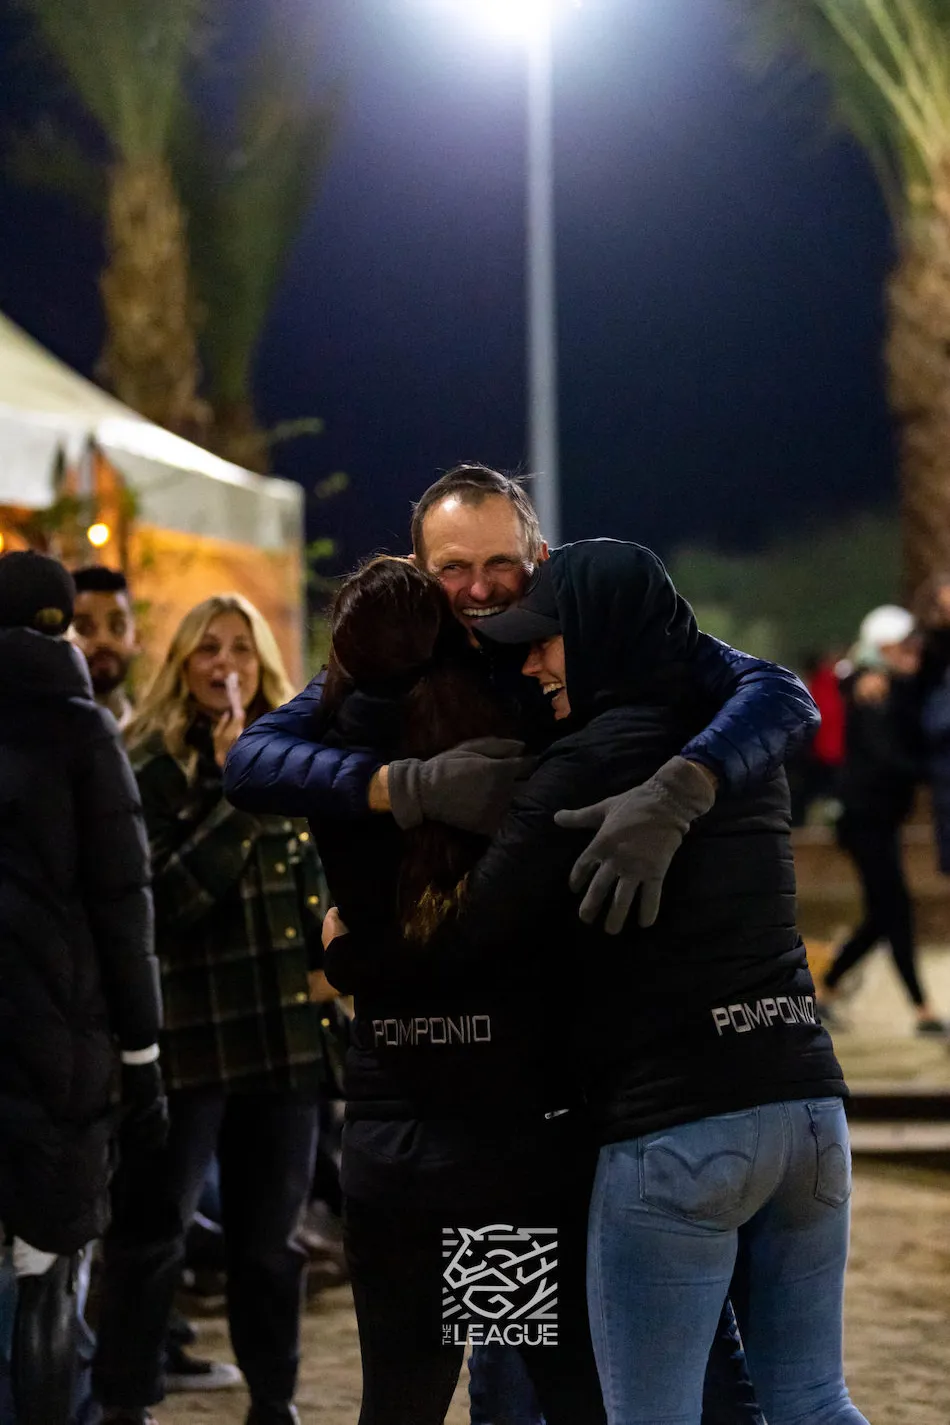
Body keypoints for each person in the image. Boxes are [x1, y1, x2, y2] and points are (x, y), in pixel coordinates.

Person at [324, 539, 867, 1425]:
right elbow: (775, 692)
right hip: (797, 1101)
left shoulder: (564, 763)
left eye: (545, 638)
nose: (527, 659)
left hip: (579, 1137)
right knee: (808, 1397)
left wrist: (346, 952)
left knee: (483, 1396)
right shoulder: (727, 737)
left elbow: (469, 938)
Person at [225, 463, 820, 931]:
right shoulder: (398, 650)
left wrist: (685, 786)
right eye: (453, 568)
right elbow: (253, 760)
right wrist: (404, 787)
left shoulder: (584, 625)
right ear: (417, 569)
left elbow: (779, 691)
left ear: (540, 556)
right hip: (447, 965)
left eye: (500, 563)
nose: (479, 588)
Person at [92, 594, 332, 1425]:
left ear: (262, 661)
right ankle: (124, 1400)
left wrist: (332, 968)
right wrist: (236, 791)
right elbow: (160, 901)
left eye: (239, 646)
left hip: (282, 1036)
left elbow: (314, 887)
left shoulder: (295, 756)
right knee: (152, 1230)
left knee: (272, 1246)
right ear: (181, 661)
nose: (223, 662)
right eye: (206, 647)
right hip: (187, 1036)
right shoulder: (146, 763)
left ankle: (275, 1402)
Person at [0, 551, 166, 1425]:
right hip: (61, 1054)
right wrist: (143, 1053)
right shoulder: (81, 730)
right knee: (48, 1275)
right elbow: (122, 908)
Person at [817, 606, 941, 1032]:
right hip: (864, 819)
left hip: (880, 819)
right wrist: (935, 769)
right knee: (894, 909)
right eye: (905, 647)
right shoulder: (870, 689)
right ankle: (922, 1008)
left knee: (881, 914)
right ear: (886, 648)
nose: (915, 653)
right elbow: (889, 757)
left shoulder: (893, 685)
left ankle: (826, 986)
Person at [70, 566, 139, 731]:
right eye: (84, 628)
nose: (103, 640)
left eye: (118, 627)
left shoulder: (154, 738)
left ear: (137, 638)